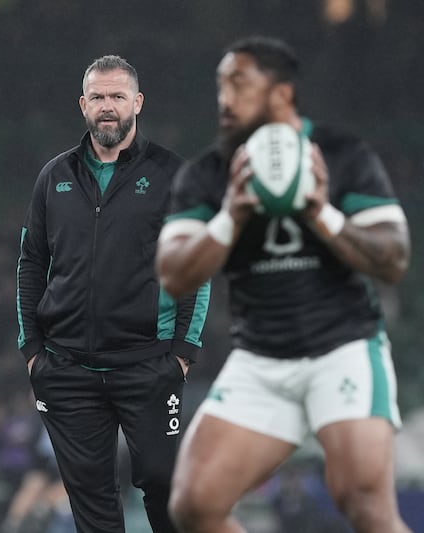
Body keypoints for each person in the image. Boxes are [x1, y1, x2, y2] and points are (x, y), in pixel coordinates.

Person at [156, 36, 412, 533]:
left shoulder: (340, 154)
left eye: (240, 83)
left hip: (342, 348)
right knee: (193, 505)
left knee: (364, 503)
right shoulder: (209, 174)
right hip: (261, 359)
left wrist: (322, 214)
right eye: (220, 86)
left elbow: (395, 259)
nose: (225, 99)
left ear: (281, 94)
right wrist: (231, 216)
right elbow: (173, 273)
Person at [16, 55, 210, 533]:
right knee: (91, 501)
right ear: (83, 104)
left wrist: (183, 352)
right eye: (98, 97)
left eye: (117, 96)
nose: (108, 107)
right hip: (67, 370)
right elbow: (32, 263)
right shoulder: (53, 176)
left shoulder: (171, 175)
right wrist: (32, 351)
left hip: (148, 364)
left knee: (165, 486)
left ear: (137, 103)